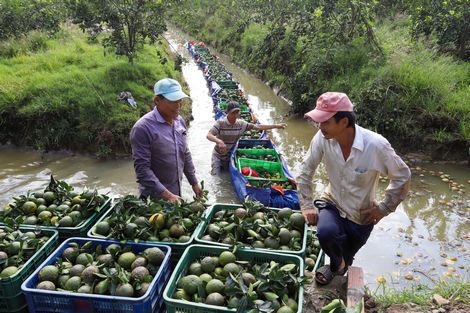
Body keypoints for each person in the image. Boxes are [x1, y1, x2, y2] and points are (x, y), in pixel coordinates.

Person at [296, 91, 411, 285]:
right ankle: (336, 266)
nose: (320, 127)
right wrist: (307, 205)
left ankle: (340, 266)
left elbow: (402, 176)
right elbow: (305, 171)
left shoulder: (375, 145)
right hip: (332, 202)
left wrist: (383, 209)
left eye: (325, 122)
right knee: (325, 233)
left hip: (361, 214)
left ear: (343, 122)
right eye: (319, 122)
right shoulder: (322, 139)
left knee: (346, 257)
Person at [130, 78, 203, 203]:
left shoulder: (179, 121)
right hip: (154, 199)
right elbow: (142, 170)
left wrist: (194, 183)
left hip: (175, 192)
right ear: (157, 100)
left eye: (180, 100)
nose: (179, 105)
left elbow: (185, 153)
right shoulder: (142, 128)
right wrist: (167, 195)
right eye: (173, 101)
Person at [206, 102, 287, 175]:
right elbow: (209, 135)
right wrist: (219, 141)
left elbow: (258, 126)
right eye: (232, 113)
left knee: (226, 177)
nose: (235, 115)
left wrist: (276, 126)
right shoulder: (220, 123)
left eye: (237, 112)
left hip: (230, 156)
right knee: (216, 177)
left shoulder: (241, 124)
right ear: (228, 112)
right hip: (218, 156)